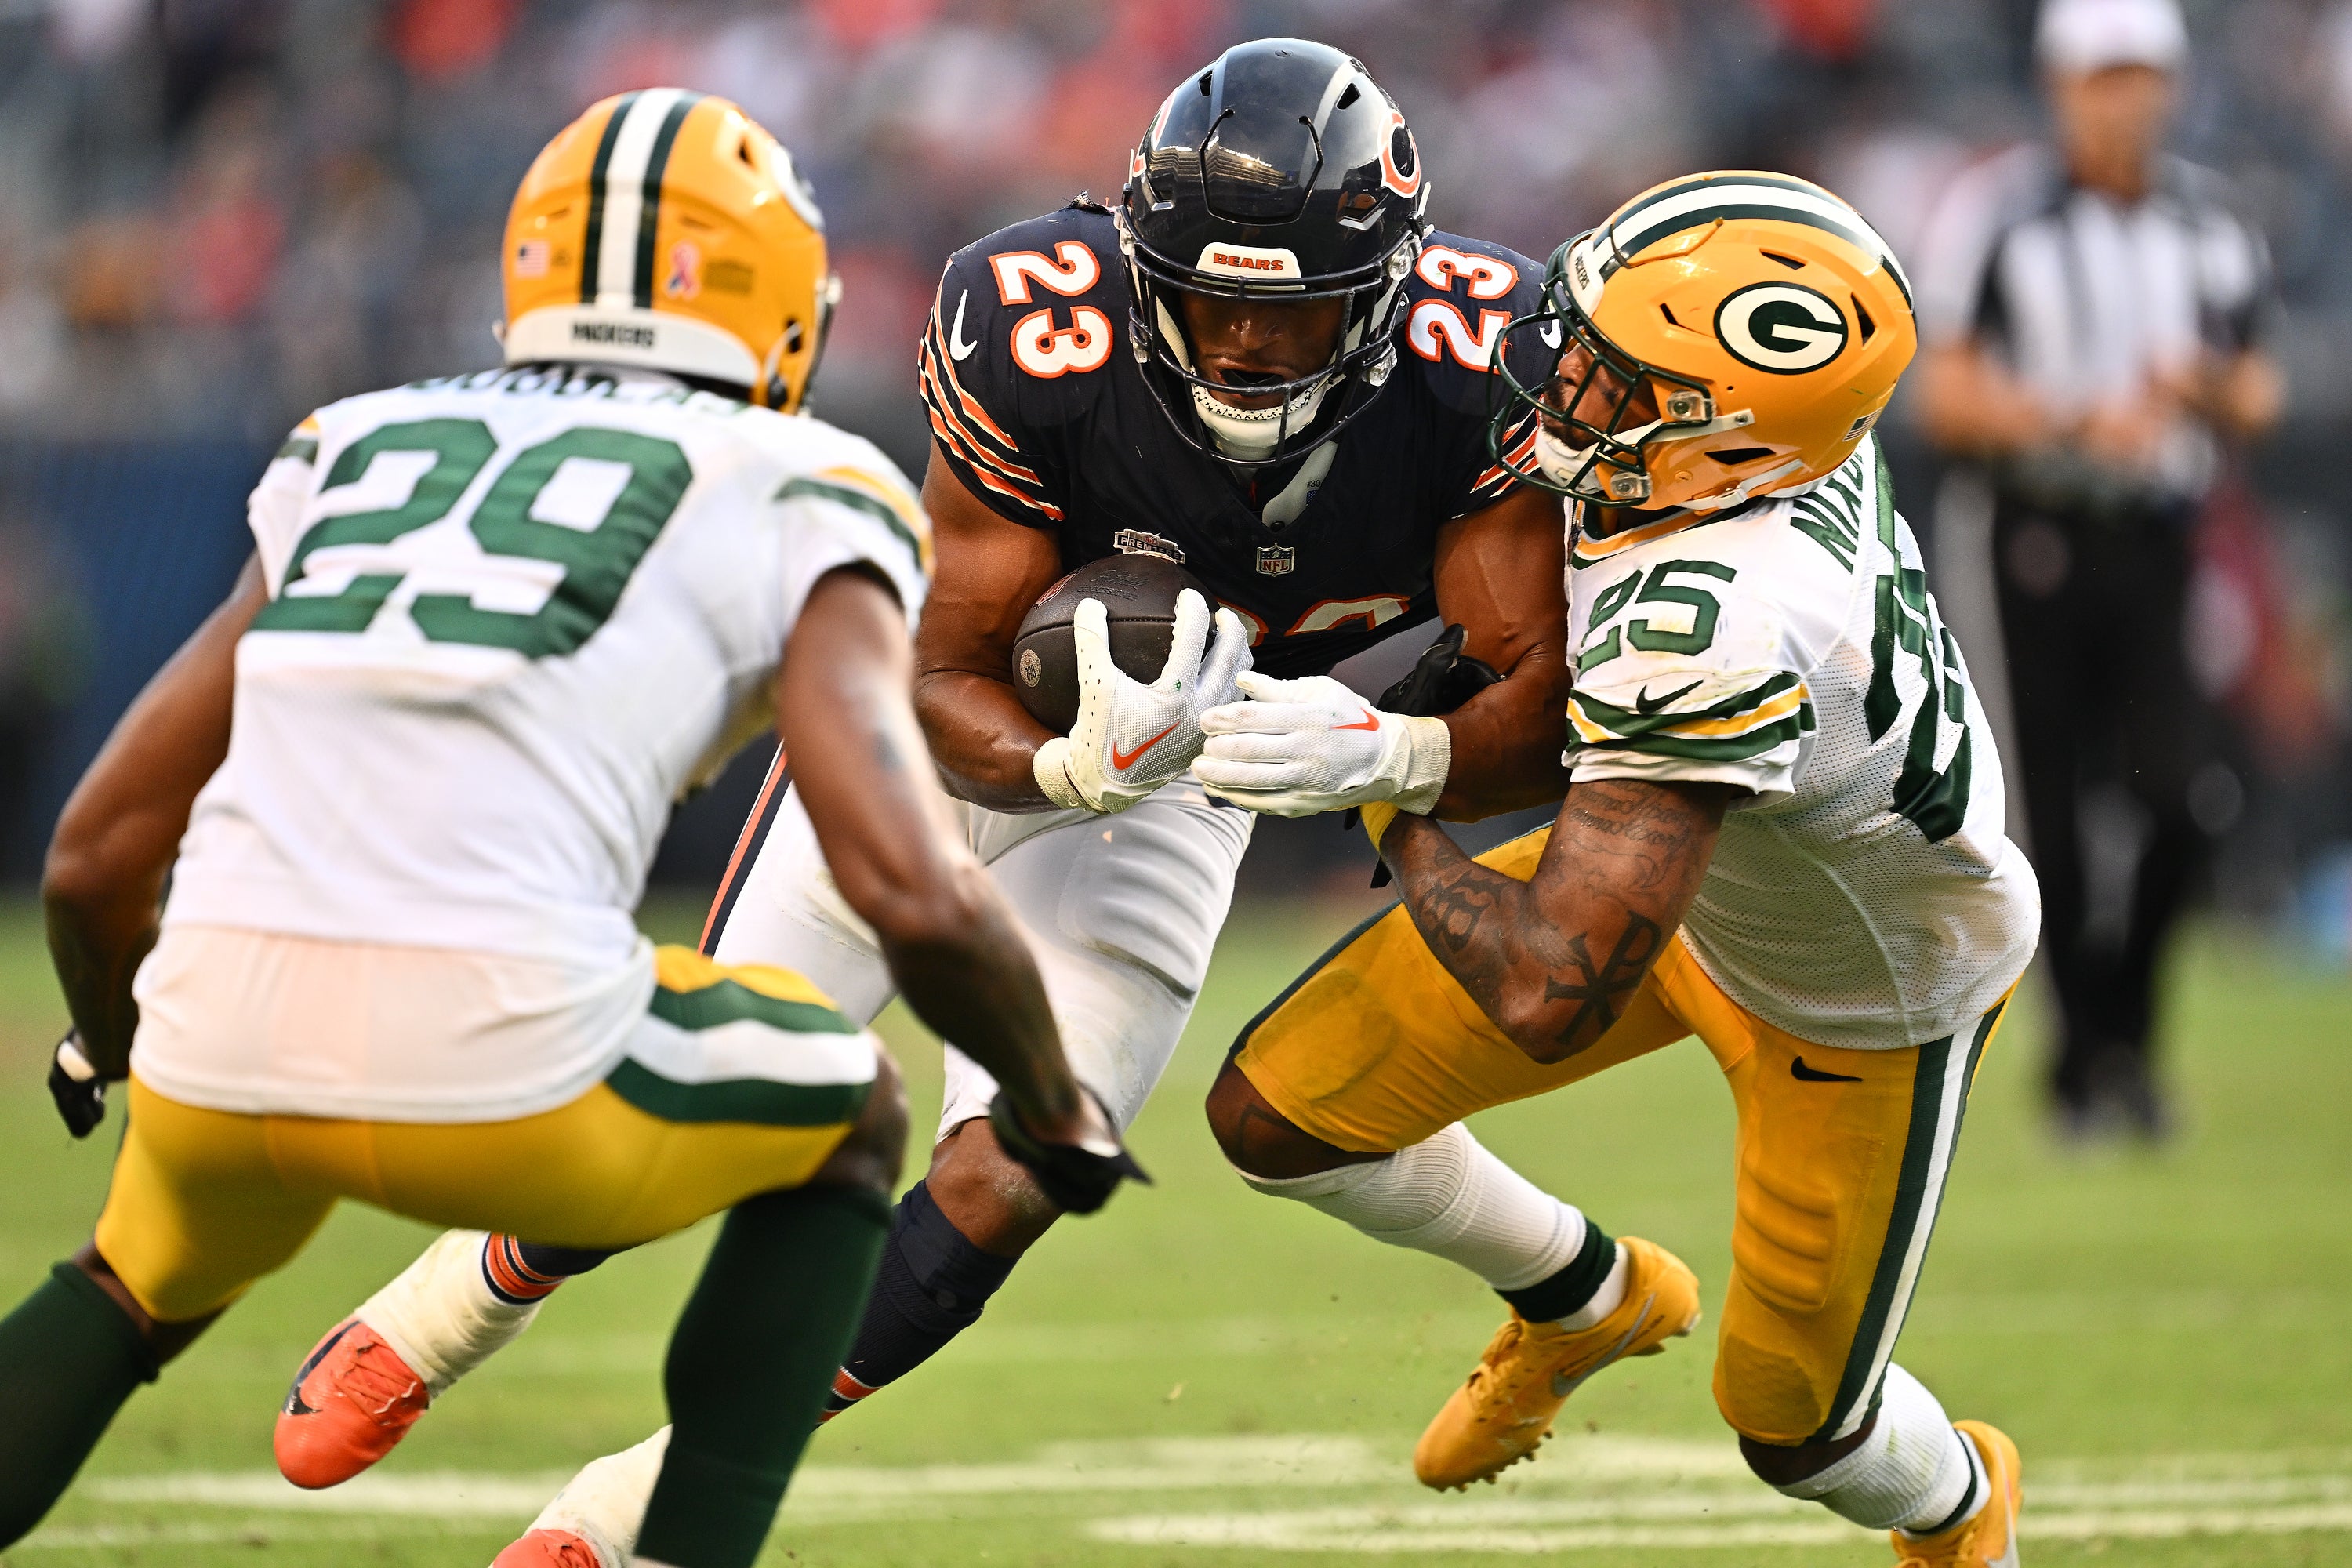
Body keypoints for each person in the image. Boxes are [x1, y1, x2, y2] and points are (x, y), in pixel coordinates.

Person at [279, 38, 1579, 1567]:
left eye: (1287, 312)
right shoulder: (1035, 323)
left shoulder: (1484, 357)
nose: (1240, 351)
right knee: (711, 1090)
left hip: (1198, 778)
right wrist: (1062, 765)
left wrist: (1392, 751)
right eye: (1208, 301)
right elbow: (940, 663)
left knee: (1023, 1164)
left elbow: (1542, 696)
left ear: (1381, 292)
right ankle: (454, 1305)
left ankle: (625, 1517)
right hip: (965, 744)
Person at [0, 90, 1134, 1568]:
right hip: (505, 1057)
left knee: (128, 1280)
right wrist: (1051, 1099)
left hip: (224, 1034)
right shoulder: (803, 480)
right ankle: (681, 1545)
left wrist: (110, 1038)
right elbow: (907, 891)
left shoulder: (359, 438)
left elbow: (94, 855)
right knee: (850, 1104)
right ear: (778, 295)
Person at [1200, 172, 2041, 1568]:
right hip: (1688, 873)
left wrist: (1385, 789)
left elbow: (1551, 986)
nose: (1555, 371)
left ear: (1722, 446)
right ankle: (1587, 1298)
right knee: (1278, 1116)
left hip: (1859, 1006)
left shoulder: (1719, 616)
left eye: (1608, 374)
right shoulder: (1767, 443)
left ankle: (1962, 1505)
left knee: (1800, 1432)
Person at [1912, 0, 2281, 1138]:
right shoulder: (2001, 214)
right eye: (2103, 75)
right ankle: (2087, 1066)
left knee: (2182, 798)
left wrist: (2200, 391)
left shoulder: (2212, 224)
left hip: (2159, 537)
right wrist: (2073, 422)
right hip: (2032, 529)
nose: (2125, 98)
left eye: (2141, 75)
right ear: (2062, 85)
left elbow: (2259, 391)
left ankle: (2128, 1032)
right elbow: (1948, 390)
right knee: (2052, 810)